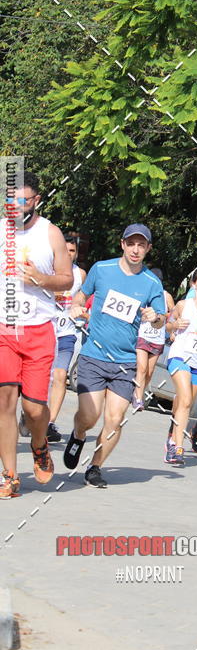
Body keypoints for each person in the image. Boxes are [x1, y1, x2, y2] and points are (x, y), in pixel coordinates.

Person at [64, 224, 165, 488]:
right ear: (122, 244)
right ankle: (78, 434)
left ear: (148, 249)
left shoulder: (151, 282)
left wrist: (155, 318)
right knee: (89, 415)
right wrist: (76, 306)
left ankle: (95, 467)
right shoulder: (102, 269)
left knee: (114, 419)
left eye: (141, 245)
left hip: (125, 363)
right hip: (94, 355)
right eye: (131, 243)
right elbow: (81, 294)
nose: (135, 249)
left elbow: (161, 319)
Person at [0, 171, 73, 498]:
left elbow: (67, 280)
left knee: (32, 409)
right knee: (4, 401)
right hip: (4, 329)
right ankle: (10, 476)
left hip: (39, 330)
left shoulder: (51, 233)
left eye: (23, 201)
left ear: (37, 201)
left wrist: (41, 279)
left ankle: (40, 443)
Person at [164, 266, 197, 466]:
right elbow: (166, 326)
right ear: (194, 285)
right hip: (180, 356)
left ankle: (172, 430)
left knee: (187, 403)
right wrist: (174, 326)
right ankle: (176, 446)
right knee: (184, 400)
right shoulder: (184, 305)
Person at [47, 236, 87, 442]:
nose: (68, 254)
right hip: (44, 331)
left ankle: (49, 423)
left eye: (72, 251)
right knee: (39, 379)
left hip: (67, 333)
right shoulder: (47, 270)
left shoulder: (80, 275)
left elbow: (85, 300)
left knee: (61, 376)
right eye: (66, 250)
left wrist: (81, 311)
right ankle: (31, 415)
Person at [133, 267, 174, 412]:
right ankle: (138, 398)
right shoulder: (142, 292)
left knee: (149, 372)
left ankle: (137, 392)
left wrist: (167, 320)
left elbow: (173, 312)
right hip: (143, 335)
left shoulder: (165, 295)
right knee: (142, 368)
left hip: (158, 338)